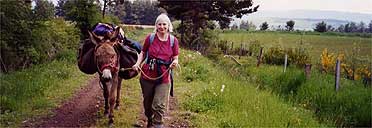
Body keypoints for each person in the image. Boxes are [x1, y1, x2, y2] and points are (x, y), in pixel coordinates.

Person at [132, 13, 179, 128]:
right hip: (147, 75)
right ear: (156, 25)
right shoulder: (150, 38)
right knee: (148, 104)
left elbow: (175, 57)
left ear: (168, 26)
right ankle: (149, 119)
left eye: (164, 24)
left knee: (158, 104)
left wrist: (175, 62)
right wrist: (137, 64)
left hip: (163, 76)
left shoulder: (173, 41)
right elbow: (142, 53)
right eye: (159, 24)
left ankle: (158, 124)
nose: (162, 27)